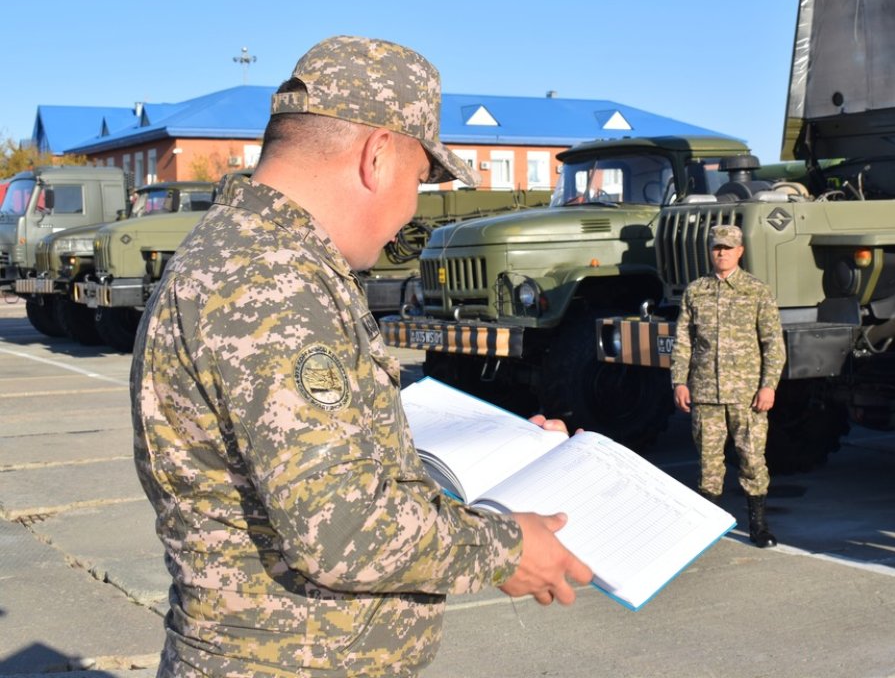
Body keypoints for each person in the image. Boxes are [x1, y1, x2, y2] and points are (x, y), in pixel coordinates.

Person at [131, 35, 592, 677]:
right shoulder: (270, 283)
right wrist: (507, 548)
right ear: (379, 155)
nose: (409, 212)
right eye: (418, 182)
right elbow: (341, 527)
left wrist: (506, 456)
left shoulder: (259, 260)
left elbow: (320, 468)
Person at [671, 224, 785, 548]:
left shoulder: (756, 290)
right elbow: (683, 341)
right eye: (716, 247)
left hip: (746, 395)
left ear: (740, 251)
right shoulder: (696, 291)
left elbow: (773, 343)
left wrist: (768, 386)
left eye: (727, 247)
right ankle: (709, 531)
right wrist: (679, 381)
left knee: (752, 459)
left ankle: (758, 527)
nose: (721, 252)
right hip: (705, 393)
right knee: (709, 463)